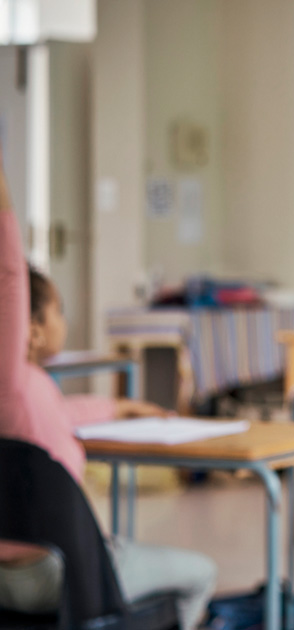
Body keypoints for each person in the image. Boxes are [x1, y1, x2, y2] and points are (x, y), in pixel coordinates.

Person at [0, 145, 217, 630]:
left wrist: (119, 406)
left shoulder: (23, 394)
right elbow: (12, 274)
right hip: (62, 575)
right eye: (56, 310)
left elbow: (59, 414)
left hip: (9, 581)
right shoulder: (17, 380)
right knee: (203, 573)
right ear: (29, 329)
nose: (64, 319)